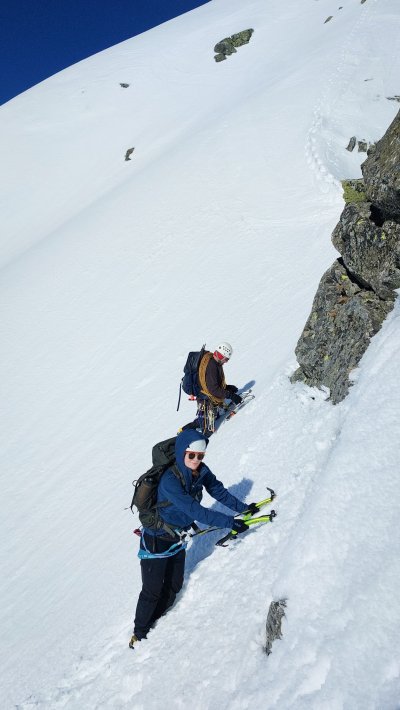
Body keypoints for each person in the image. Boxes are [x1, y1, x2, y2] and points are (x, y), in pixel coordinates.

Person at [129, 429, 257, 648]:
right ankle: (139, 633)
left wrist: (244, 509)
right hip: (156, 540)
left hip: (178, 538)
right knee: (152, 591)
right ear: (181, 453)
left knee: (174, 586)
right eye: (192, 455)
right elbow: (196, 511)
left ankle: (159, 621)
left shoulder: (201, 471)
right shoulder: (170, 481)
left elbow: (218, 491)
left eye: (201, 456)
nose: (197, 460)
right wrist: (229, 522)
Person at [183, 341, 242, 436]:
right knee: (208, 431)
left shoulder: (213, 362)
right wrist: (230, 395)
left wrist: (227, 388)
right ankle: (186, 432)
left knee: (211, 417)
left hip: (205, 392)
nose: (226, 362)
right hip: (204, 397)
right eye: (226, 359)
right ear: (221, 356)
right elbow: (213, 390)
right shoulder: (212, 366)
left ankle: (197, 423)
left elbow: (212, 383)